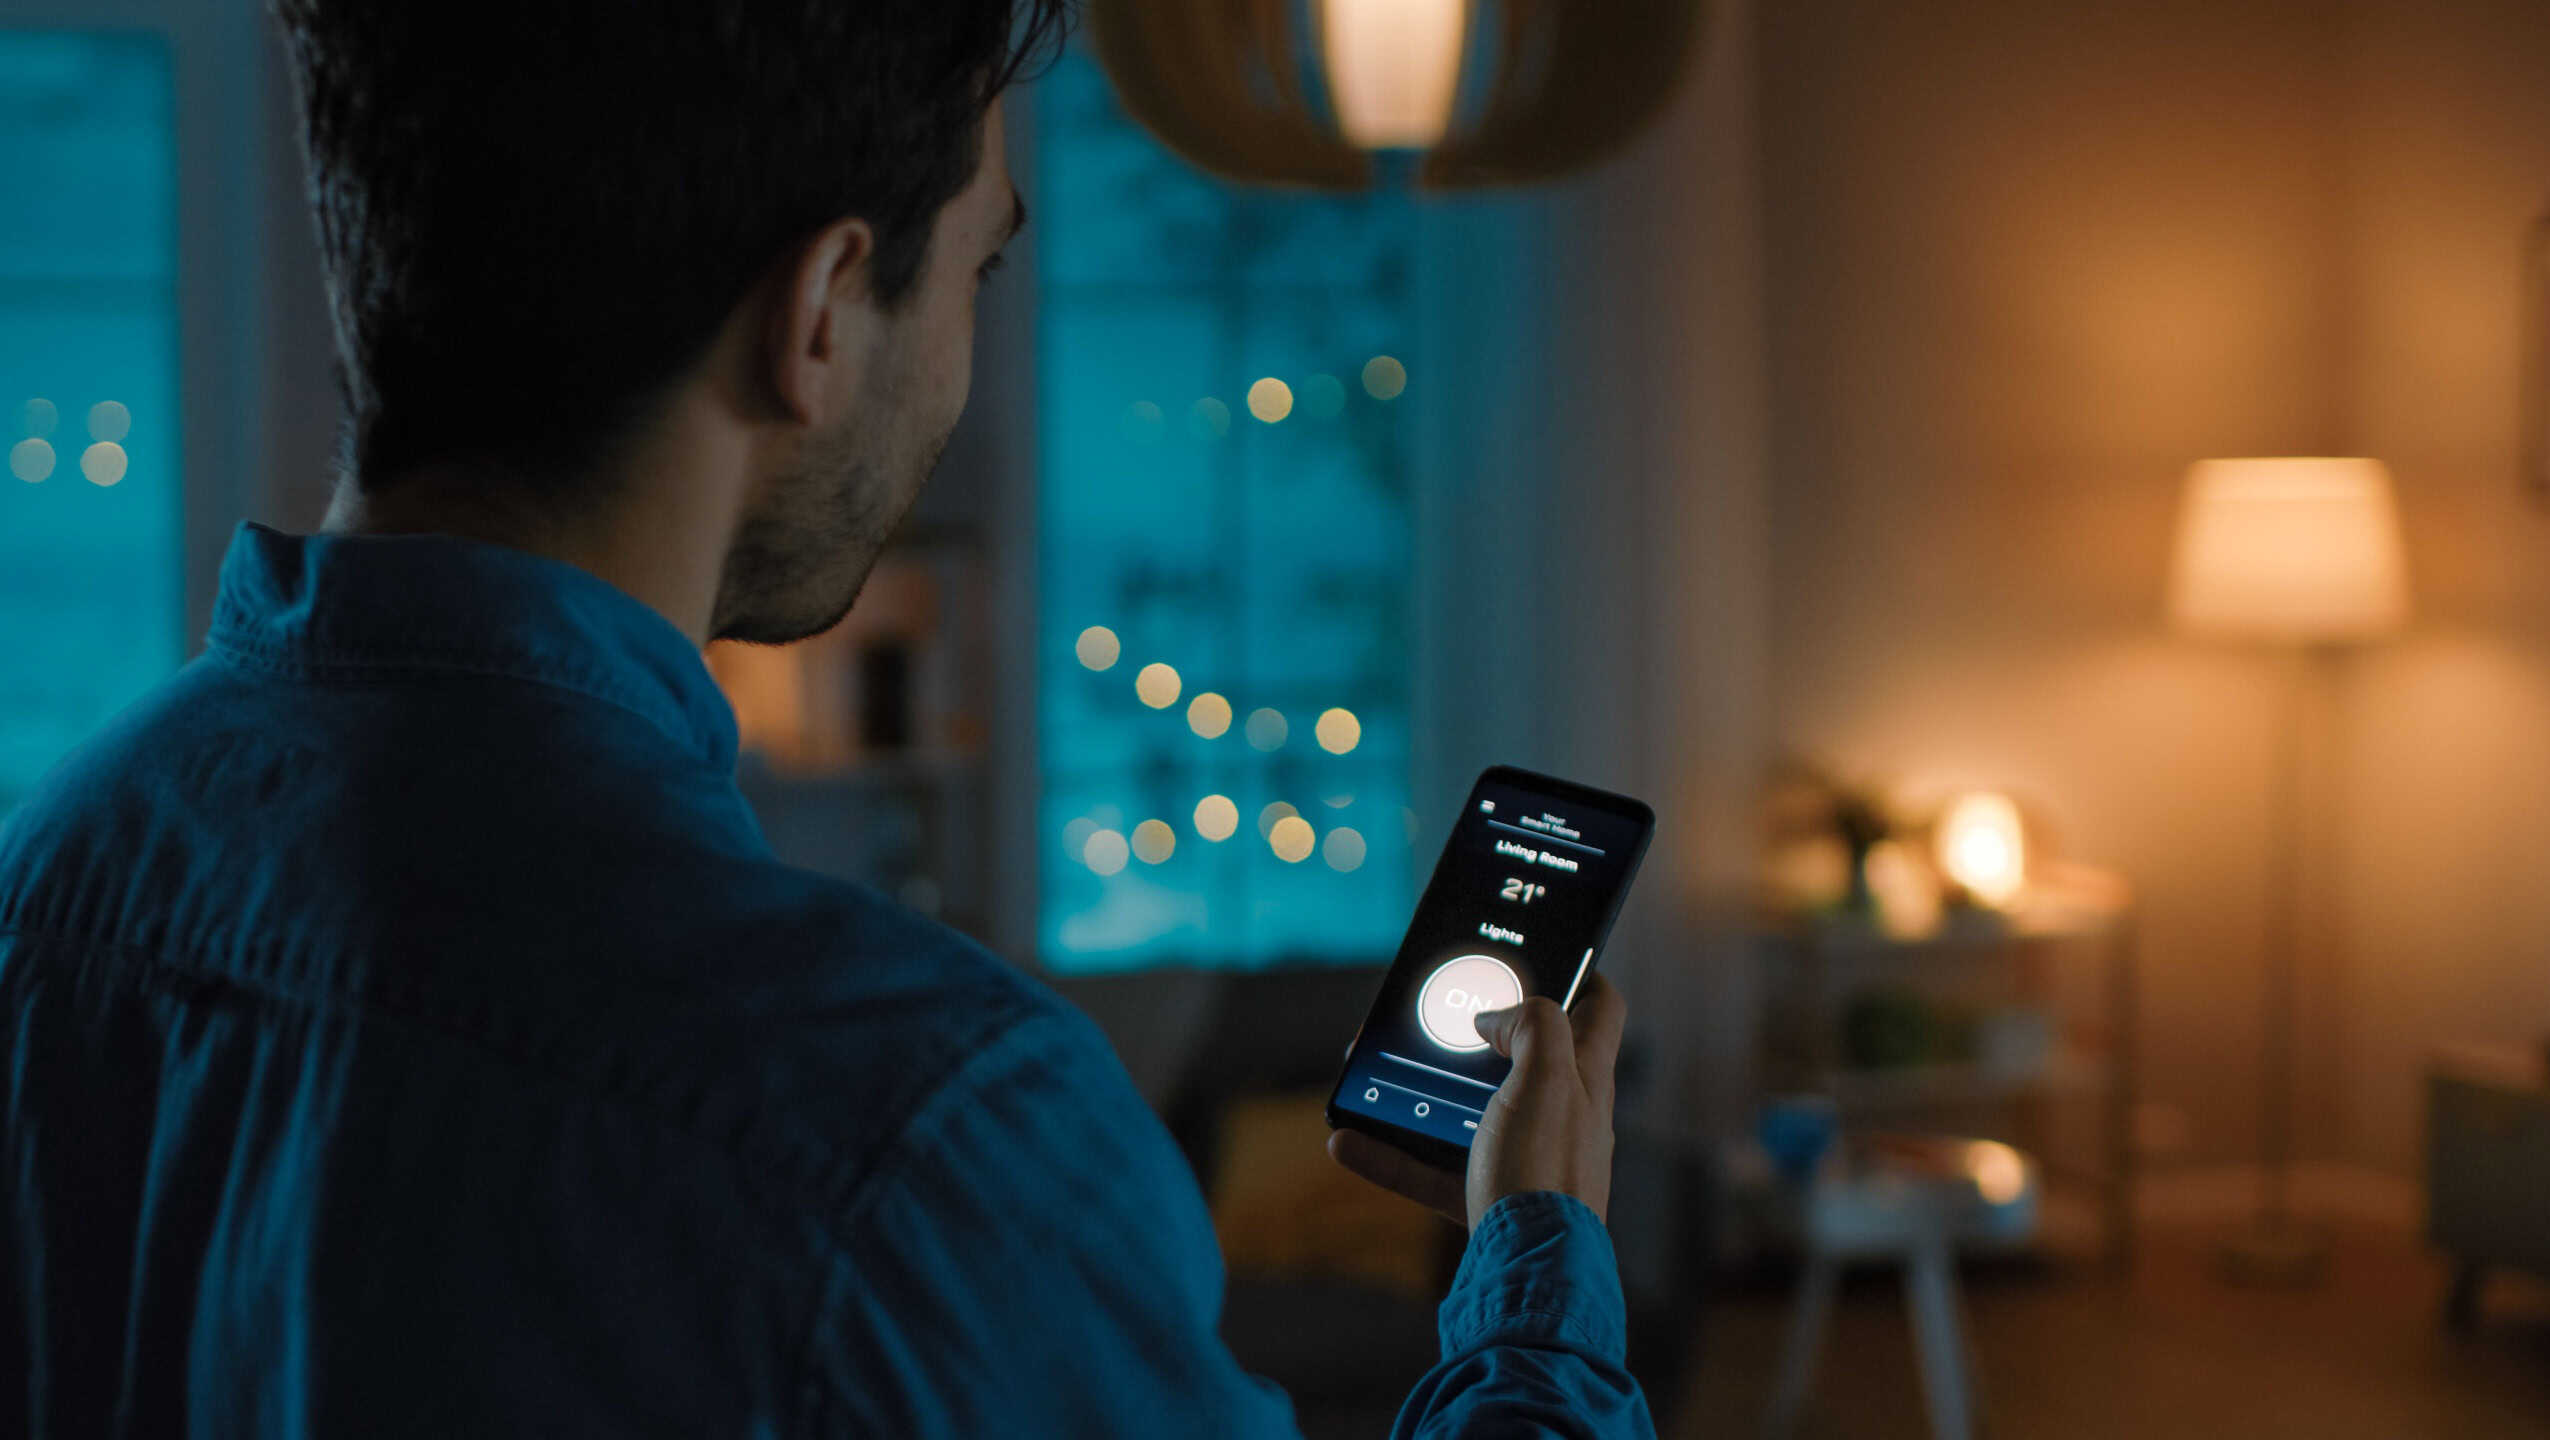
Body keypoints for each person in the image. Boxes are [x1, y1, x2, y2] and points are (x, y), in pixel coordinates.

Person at [0, 2, 1655, 1435]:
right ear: (820, 313)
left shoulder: (50, 882)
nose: (955, 372)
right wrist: (1534, 1267)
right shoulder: (918, 1124)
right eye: (982, 266)